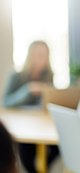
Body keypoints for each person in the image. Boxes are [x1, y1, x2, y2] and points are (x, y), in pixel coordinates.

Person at [2, 40, 59, 173]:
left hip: (43, 124)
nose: (43, 58)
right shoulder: (16, 76)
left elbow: (52, 101)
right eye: (39, 54)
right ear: (31, 55)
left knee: (57, 147)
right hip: (23, 125)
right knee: (26, 153)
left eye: (45, 55)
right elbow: (6, 102)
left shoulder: (48, 75)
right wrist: (28, 90)